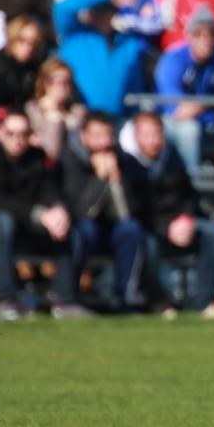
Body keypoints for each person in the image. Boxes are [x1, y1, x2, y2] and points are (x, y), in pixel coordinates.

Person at [0, 107, 90, 320]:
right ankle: (6, 301)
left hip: (18, 229)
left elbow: (49, 190)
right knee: (3, 220)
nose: (18, 140)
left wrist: (58, 210)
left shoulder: (36, 158)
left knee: (67, 227)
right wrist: (39, 215)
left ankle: (65, 301)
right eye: (11, 133)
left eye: (23, 134)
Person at [122, 111, 214, 318]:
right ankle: (158, 301)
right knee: (145, 243)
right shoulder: (127, 164)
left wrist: (185, 219)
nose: (153, 140)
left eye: (157, 134)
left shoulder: (172, 157)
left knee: (212, 233)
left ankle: (204, 301)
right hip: (150, 228)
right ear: (136, 137)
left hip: (178, 224)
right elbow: (135, 210)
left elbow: (188, 195)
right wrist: (166, 228)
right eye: (147, 135)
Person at [58, 111, 146, 310]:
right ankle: (70, 296)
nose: (104, 142)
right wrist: (98, 179)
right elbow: (80, 210)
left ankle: (123, 297)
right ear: (83, 136)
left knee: (130, 229)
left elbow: (126, 213)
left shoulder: (124, 161)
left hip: (110, 229)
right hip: (80, 228)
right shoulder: (70, 160)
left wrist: (115, 180)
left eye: (107, 135)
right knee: (84, 229)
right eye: (97, 135)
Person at [155, 4, 214, 170]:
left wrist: (208, 110)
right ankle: (192, 188)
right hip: (172, 123)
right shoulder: (173, 60)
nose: (205, 39)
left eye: (211, 34)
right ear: (189, 36)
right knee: (189, 130)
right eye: (198, 34)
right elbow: (178, 112)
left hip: (210, 119)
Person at [54, 0, 150, 120]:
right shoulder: (74, 36)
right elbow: (62, 9)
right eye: (96, 10)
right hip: (80, 120)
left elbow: (135, 86)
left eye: (107, 11)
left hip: (116, 123)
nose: (101, 16)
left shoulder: (129, 44)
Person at [25, 58, 88, 162]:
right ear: (43, 83)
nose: (60, 86)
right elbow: (51, 151)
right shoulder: (31, 111)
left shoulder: (78, 111)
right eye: (53, 81)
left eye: (66, 81)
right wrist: (53, 116)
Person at [0, 14, 45, 112]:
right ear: (12, 38)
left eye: (33, 43)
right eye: (22, 40)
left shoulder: (35, 67)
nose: (28, 47)